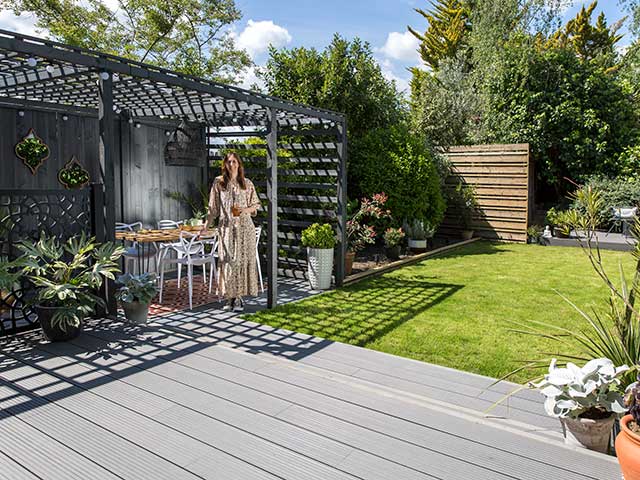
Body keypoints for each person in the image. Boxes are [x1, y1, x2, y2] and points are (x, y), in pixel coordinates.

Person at [201, 152, 261, 312]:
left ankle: (239, 298)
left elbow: (256, 205)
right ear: (225, 165)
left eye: (234, 161)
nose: (231, 164)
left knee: (240, 262)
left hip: (244, 228)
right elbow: (212, 208)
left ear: (239, 164)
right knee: (227, 261)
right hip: (226, 229)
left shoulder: (247, 184)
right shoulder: (218, 183)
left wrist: (245, 210)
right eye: (228, 162)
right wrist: (206, 226)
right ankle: (229, 298)